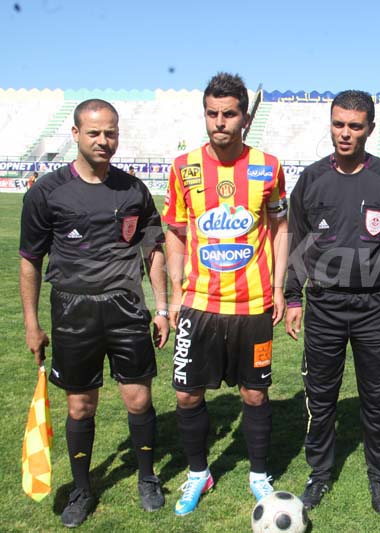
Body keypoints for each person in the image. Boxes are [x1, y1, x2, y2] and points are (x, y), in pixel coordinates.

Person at [19, 99, 169, 527]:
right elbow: (29, 259)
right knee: (81, 406)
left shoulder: (134, 190)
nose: (104, 141)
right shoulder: (46, 192)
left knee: (138, 398)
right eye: (95, 133)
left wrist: (161, 308)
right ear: (76, 135)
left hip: (126, 309)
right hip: (72, 310)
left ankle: (146, 477)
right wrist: (32, 324)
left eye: (111, 133)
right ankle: (83, 489)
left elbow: (153, 249)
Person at [162, 72, 289, 516]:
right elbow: (175, 231)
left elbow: (279, 227)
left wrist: (277, 287)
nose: (220, 122)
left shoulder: (268, 167)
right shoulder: (184, 168)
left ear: (245, 117)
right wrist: (177, 294)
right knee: (186, 395)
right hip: (199, 304)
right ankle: (199, 471)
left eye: (229, 114)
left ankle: (258, 473)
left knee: (254, 395)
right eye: (213, 114)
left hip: (253, 305)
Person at [284, 90, 380, 513]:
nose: (345, 133)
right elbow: (295, 240)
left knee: (377, 396)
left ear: (370, 127)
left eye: (354, 125)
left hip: (372, 305)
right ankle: (319, 473)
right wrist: (293, 298)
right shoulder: (311, 179)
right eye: (338, 124)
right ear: (330, 123)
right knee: (320, 395)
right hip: (324, 306)